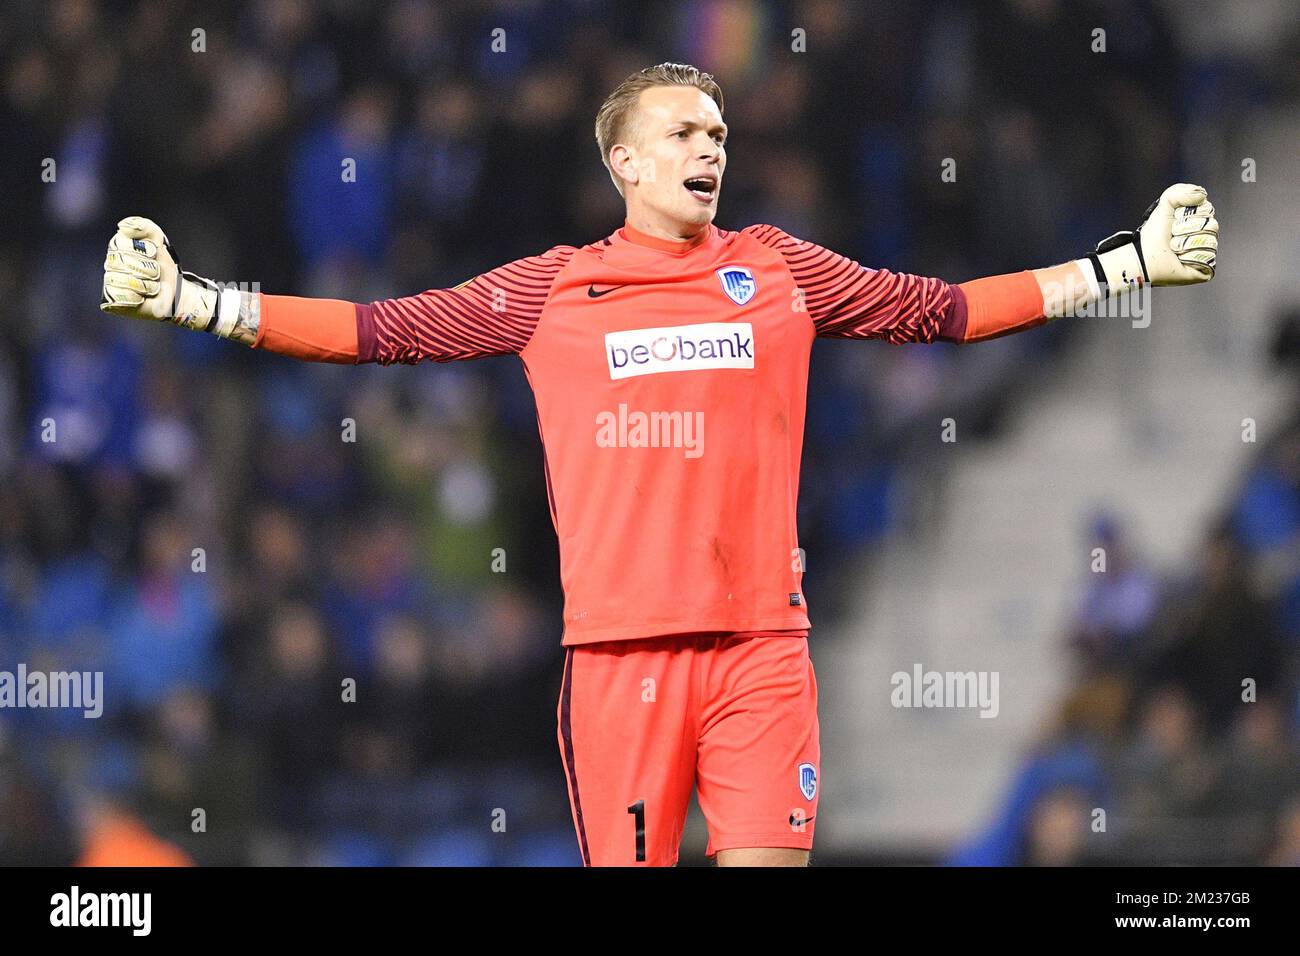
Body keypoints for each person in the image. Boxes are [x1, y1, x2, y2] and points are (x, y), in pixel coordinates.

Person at [98, 63, 1219, 867]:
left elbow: (947, 311)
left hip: (760, 652)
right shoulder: (552, 290)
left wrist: (1124, 263)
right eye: (683, 133)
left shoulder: (778, 269)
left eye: (719, 136)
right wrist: (199, 301)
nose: (709, 150)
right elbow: (378, 328)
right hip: (619, 660)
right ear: (624, 160)